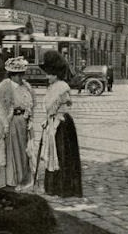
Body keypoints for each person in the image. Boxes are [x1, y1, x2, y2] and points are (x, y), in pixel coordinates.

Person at [40, 50, 83, 197]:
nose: (47, 77)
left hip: (62, 125)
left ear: (56, 74)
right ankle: (53, 187)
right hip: (54, 123)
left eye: (49, 74)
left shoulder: (62, 86)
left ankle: (64, 187)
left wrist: (51, 114)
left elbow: (60, 105)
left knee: (62, 155)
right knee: (54, 154)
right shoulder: (52, 87)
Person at [0, 57, 36, 191]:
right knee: (10, 151)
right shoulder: (5, 87)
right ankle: (9, 180)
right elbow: (1, 108)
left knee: (23, 151)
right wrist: (5, 125)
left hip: (22, 121)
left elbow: (31, 104)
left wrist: (30, 119)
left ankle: (21, 178)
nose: (20, 77)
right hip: (10, 122)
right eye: (17, 75)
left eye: (22, 74)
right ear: (11, 75)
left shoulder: (26, 87)